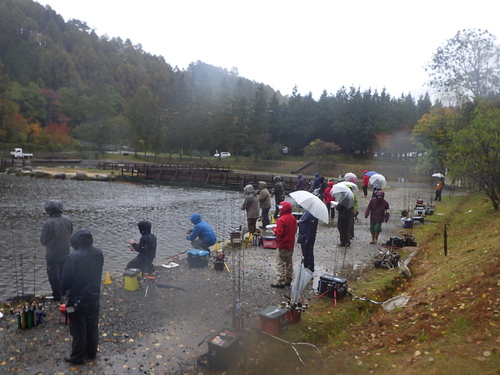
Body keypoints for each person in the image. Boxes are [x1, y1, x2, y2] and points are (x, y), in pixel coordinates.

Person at [61, 229, 104, 365]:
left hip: (76, 299)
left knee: (78, 327)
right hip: (94, 296)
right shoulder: (98, 253)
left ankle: (77, 356)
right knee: (92, 325)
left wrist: (63, 290)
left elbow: (66, 281)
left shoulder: (73, 257)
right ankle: (91, 353)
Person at [40, 199, 73, 301]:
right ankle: (65, 292)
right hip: (66, 252)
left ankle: (57, 296)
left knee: (53, 277)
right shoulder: (68, 220)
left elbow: (43, 241)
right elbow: (70, 233)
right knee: (64, 274)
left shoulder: (48, 223)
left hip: (52, 255)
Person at [271, 201, 297, 288]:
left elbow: (279, 233)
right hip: (290, 243)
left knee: (279, 262)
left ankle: (280, 281)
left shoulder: (281, 219)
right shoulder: (293, 218)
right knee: (289, 262)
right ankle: (288, 279)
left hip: (282, 244)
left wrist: (274, 229)